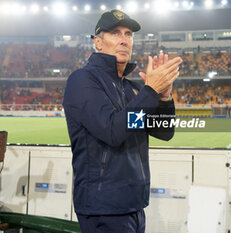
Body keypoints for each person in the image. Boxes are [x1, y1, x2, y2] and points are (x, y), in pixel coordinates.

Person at [62, 9, 182, 233]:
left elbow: (164, 131)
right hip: (103, 208)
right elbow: (112, 131)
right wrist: (150, 91)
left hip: (134, 205)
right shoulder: (82, 80)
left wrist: (164, 97)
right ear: (98, 42)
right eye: (115, 33)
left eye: (128, 34)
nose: (124, 40)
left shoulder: (131, 89)